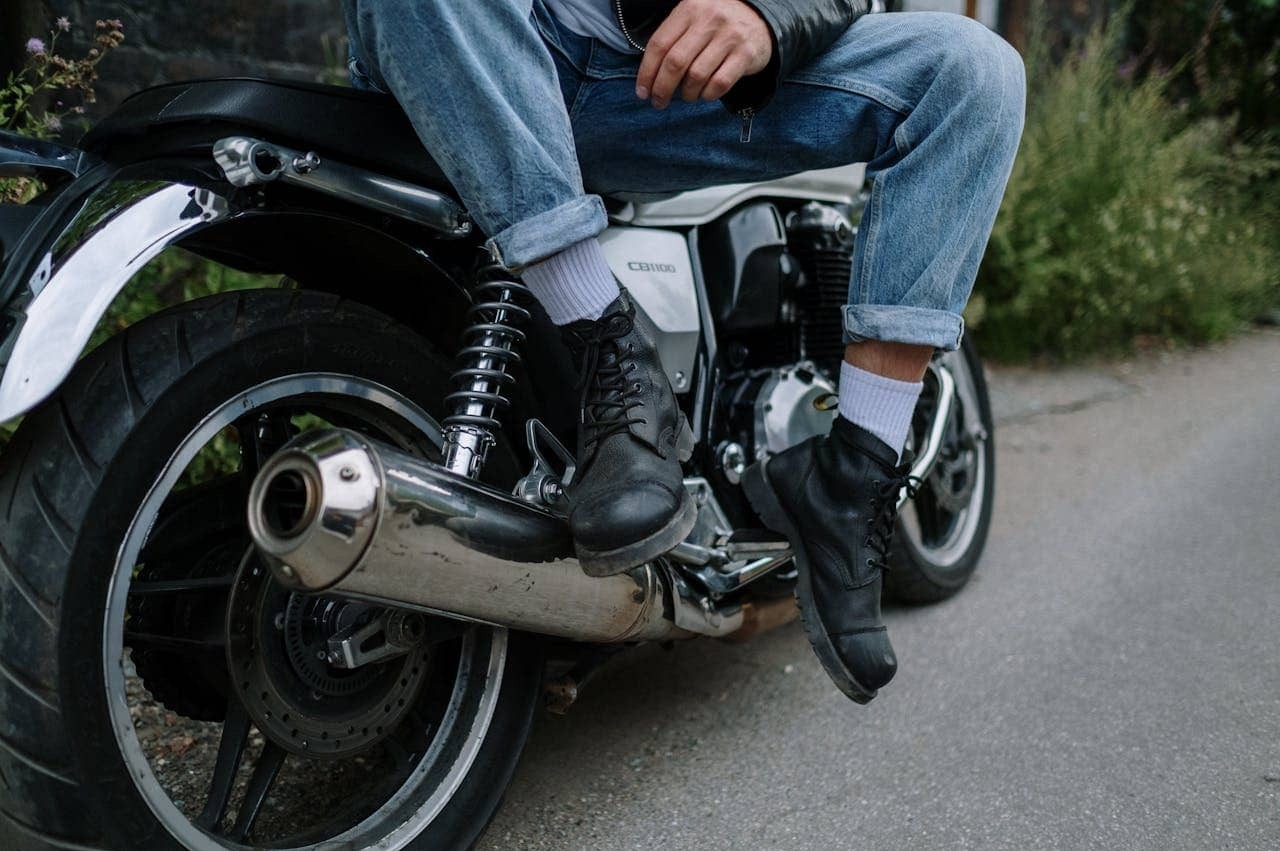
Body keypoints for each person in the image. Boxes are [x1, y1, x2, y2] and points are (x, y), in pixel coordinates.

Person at [338, 0, 1025, 703]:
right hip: (475, 46)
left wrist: (767, 14)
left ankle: (851, 485)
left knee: (975, 71)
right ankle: (615, 362)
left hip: (653, 83)